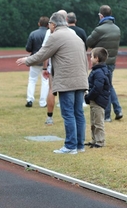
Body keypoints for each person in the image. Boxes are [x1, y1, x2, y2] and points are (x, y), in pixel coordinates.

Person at [17, 12, 88, 154]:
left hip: (67, 80)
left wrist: (27, 60)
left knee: (68, 113)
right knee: (78, 113)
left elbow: (43, 53)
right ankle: (80, 145)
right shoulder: (75, 35)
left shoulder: (56, 36)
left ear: (53, 24)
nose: (49, 26)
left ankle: (70, 146)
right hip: (80, 79)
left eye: (50, 24)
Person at [86, 5, 123, 122]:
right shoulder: (117, 29)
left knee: (104, 88)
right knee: (109, 86)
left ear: (101, 15)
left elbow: (89, 42)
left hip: (102, 62)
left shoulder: (99, 29)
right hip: (111, 62)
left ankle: (107, 116)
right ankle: (117, 110)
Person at [84, 47, 112, 148]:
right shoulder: (97, 70)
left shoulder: (99, 72)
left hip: (98, 101)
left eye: (91, 57)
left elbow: (97, 88)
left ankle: (100, 141)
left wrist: (88, 96)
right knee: (93, 121)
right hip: (95, 100)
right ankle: (94, 139)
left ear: (97, 59)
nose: (90, 59)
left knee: (98, 122)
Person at [24, 16, 49, 108]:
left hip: (34, 60)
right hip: (47, 61)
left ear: (39, 24)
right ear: (48, 25)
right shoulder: (50, 33)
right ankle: (42, 102)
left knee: (32, 80)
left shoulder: (33, 34)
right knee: (45, 81)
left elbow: (28, 48)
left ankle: (29, 100)